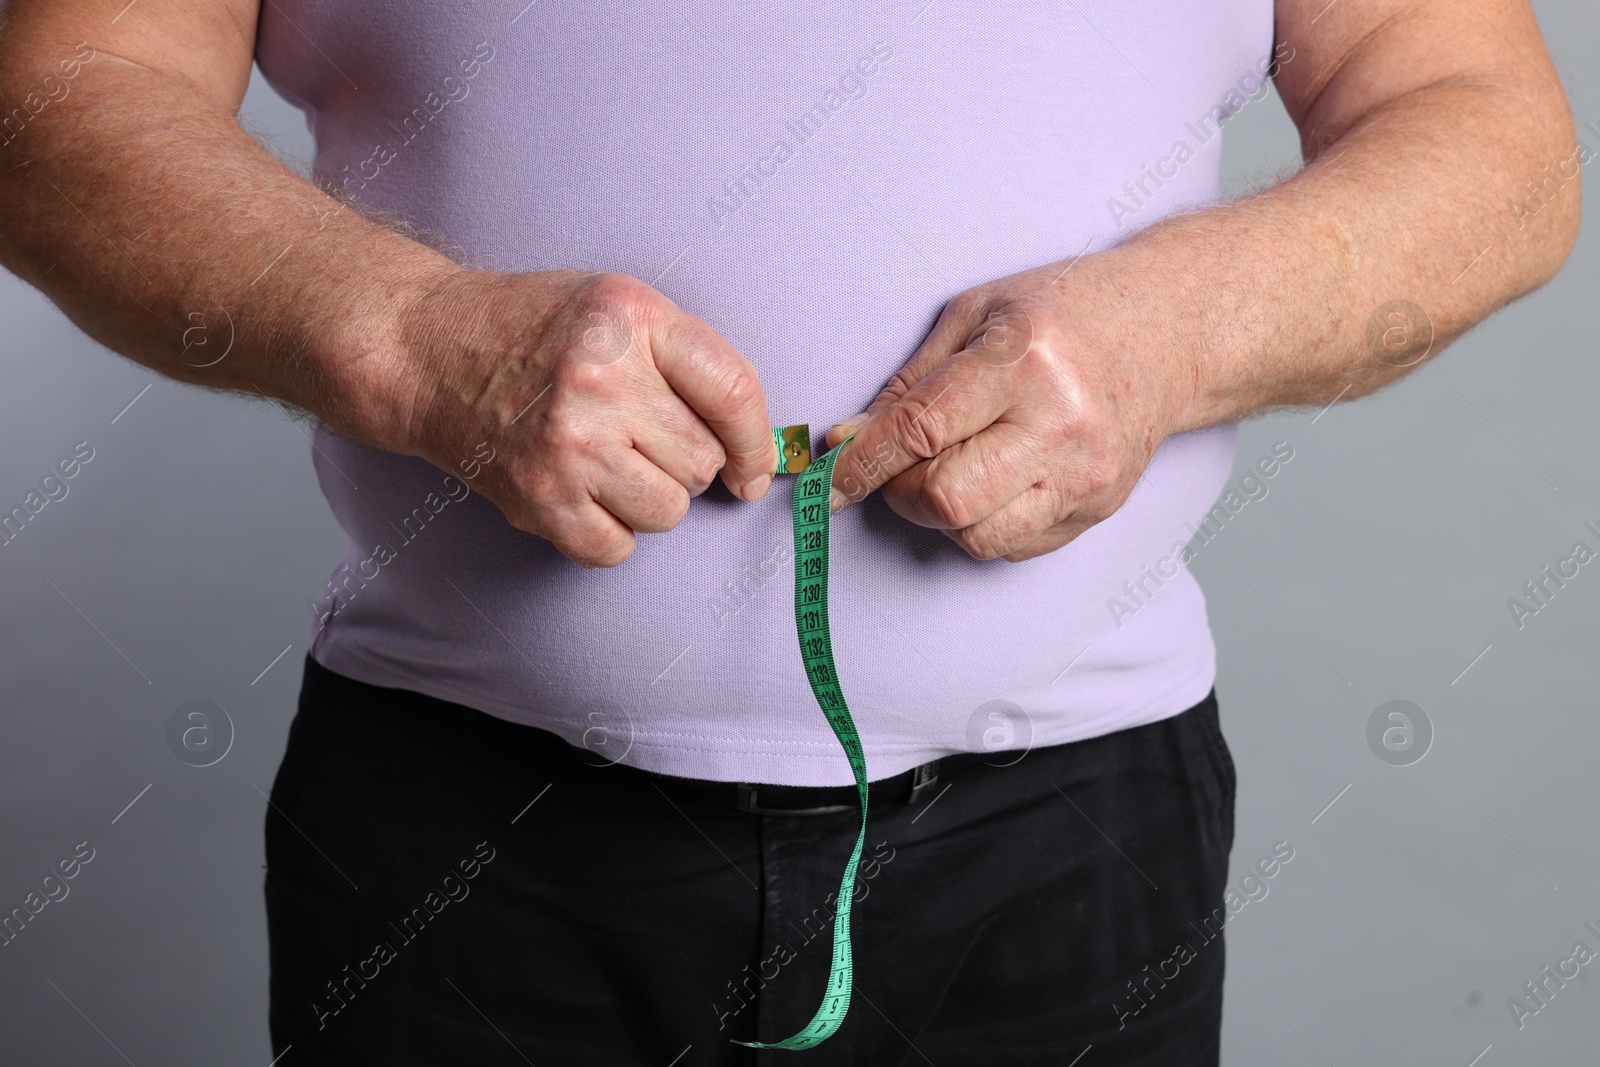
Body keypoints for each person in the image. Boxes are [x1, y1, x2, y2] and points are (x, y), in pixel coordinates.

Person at [0, 0, 1578, 1062]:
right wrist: (411, 334)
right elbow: (59, 101)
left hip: (1069, 846)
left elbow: (1488, 129)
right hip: (463, 831)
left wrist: (1180, 331)